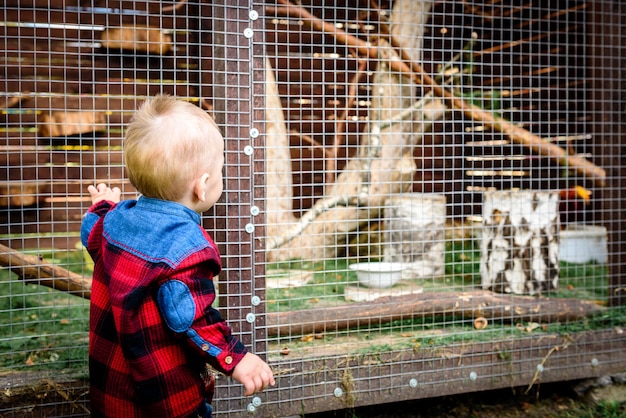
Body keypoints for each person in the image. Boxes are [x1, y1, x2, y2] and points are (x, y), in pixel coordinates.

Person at [81, 94, 275, 418]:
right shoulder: (187, 249)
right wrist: (235, 357)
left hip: (112, 394)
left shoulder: (115, 218)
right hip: (166, 401)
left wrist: (102, 203)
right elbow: (191, 318)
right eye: (221, 170)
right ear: (202, 185)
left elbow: (92, 232)